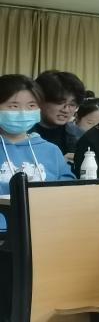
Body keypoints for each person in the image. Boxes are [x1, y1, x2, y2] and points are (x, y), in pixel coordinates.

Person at [0, 74, 76, 218]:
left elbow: (68, 190)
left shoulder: (51, 150)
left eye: (31, 106)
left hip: (45, 225)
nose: (23, 112)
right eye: (13, 106)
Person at [30, 70, 86, 160]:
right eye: (60, 102)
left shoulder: (80, 136)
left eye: (72, 104)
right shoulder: (20, 133)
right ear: (40, 100)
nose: (66, 110)